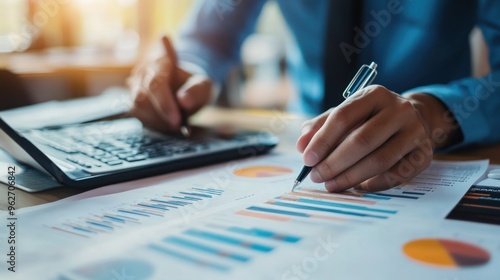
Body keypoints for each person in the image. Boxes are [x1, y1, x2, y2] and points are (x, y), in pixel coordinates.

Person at [127, 0, 500, 193]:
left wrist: (432, 113)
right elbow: (209, 35)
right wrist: (186, 71)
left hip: (444, 154)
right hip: (296, 139)